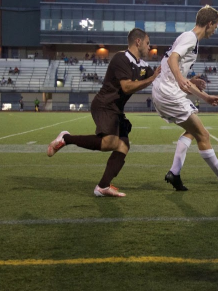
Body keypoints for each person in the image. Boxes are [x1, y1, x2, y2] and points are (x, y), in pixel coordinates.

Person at [46, 28, 161, 197]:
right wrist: (151, 79)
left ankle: (102, 186)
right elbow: (126, 86)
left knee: (123, 146)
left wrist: (188, 82)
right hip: (104, 105)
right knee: (109, 143)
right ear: (138, 42)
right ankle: (66, 138)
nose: (149, 47)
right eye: (147, 43)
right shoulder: (121, 58)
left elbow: (164, 78)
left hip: (116, 109)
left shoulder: (143, 66)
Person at [152, 5, 218, 191]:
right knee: (203, 135)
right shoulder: (190, 37)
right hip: (168, 93)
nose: (215, 30)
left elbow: (176, 74)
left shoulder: (187, 38)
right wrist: (182, 79)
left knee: (192, 132)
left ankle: (174, 173)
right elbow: (173, 60)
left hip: (164, 91)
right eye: (216, 26)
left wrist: (203, 95)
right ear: (210, 23)